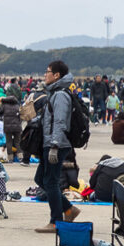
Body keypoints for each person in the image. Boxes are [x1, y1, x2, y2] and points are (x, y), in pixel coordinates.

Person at [34, 61, 81, 233]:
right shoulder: (53, 92)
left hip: (56, 144)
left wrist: (54, 145)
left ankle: (55, 221)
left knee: (51, 181)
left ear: (56, 75)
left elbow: (60, 122)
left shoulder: (60, 95)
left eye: (47, 72)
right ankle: (69, 209)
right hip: (49, 142)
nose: (45, 75)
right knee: (41, 179)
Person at [0, 95, 22, 163]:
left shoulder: (4, 105)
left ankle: (10, 158)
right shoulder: (17, 106)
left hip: (7, 127)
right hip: (17, 126)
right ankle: (20, 157)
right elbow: (21, 115)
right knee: (17, 142)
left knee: (9, 142)